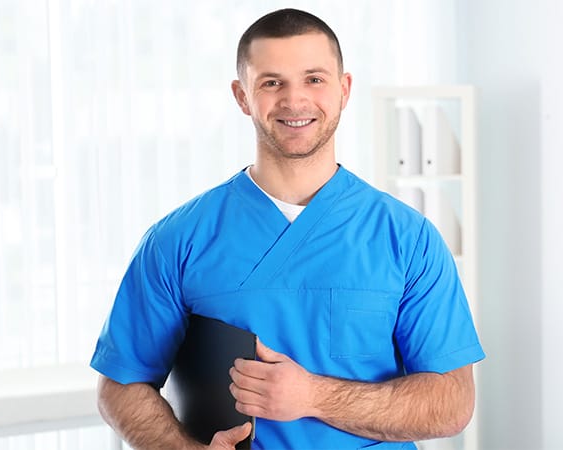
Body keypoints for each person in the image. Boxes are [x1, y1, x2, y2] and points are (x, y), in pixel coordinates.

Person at [90, 8, 484, 449]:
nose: (295, 100)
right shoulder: (177, 240)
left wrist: (314, 396)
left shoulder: (407, 239)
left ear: (344, 89)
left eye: (314, 79)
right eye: (272, 82)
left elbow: (452, 402)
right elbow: (120, 385)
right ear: (242, 96)